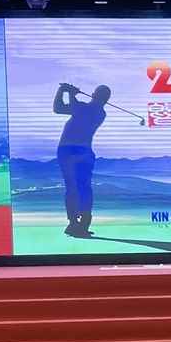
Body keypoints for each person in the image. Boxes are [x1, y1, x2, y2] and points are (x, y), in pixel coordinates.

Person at [53, 83, 110, 238]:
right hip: (79, 151)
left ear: (95, 95)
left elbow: (75, 109)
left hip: (71, 150)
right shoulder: (92, 110)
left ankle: (77, 224)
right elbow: (58, 108)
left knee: (75, 187)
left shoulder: (95, 111)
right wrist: (62, 91)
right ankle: (79, 224)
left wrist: (70, 92)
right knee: (81, 187)